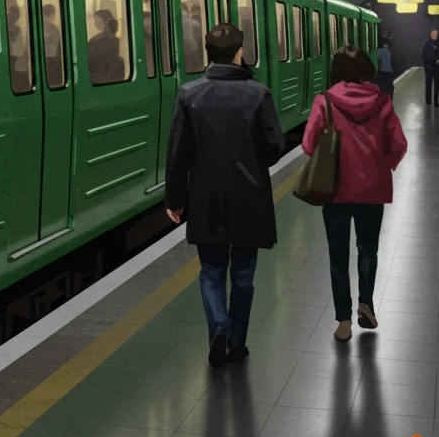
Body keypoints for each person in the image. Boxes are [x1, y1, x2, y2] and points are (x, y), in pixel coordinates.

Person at [165, 24, 285, 368]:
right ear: (239, 54)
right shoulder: (259, 93)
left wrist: (175, 199)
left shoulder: (188, 94)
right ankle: (237, 342)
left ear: (207, 53)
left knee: (211, 270)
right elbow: (275, 148)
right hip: (250, 197)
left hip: (206, 197)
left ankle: (218, 325)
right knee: (243, 275)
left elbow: (178, 153)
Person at [302, 46, 407, 341]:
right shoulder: (383, 101)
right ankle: (367, 305)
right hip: (373, 191)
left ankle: (343, 322)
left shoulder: (324, 102)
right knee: (368, 249)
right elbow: (398, 144)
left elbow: (309, 145)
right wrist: (380, 167)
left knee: (338, 257)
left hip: (334, 190)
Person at [87, 9, 121, 83]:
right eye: (95, 21)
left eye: (99, 21)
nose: (97, 23)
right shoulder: (96, 39)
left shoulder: (98, 40)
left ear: (107, 22)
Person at [421, 28, 439, 105]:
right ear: (430, 34)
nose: (434, 35)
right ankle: (428, 100)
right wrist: (432, 61)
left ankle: (436, 100)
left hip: (438, 67)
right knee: (428, 83)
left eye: (436, 34)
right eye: (433, 34)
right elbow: (423, 55)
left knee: (437, 84)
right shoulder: (427, 44)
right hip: (429, 67)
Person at [42, 2, 63, 88]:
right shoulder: (53, 28)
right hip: (52, 58)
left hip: (42, 57)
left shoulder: (37, 24)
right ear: (52, 14)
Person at [374, 34, 395, 99]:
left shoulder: (379, 51)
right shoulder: (388, 52)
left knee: (382, 89)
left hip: (383, 72)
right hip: (390, 73)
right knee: (389, 88)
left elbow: (375, 58)